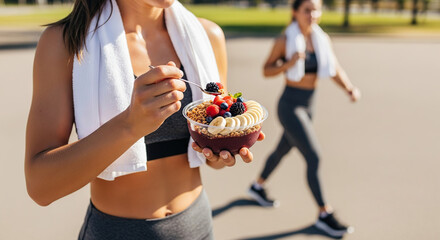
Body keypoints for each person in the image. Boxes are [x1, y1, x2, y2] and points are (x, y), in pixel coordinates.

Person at [25, 0, 264, 239]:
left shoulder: (207, 36)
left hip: (197, 226)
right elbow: (41, 186)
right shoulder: (65, 43)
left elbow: (210, 157)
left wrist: (224, 152)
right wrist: (130, 124)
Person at [247, 0, 360, 237]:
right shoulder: (284, 40)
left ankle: (257, 186)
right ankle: (324, 213)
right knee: (314, 156)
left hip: (310, 104)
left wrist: (349, 88)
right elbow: (266, 70)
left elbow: (334, 68)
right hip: (290, 106)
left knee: (282, 149)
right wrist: (288, 64)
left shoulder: (321, 39)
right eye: (307, 9)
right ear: (295, 12)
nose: (312, 14)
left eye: (316, 10)